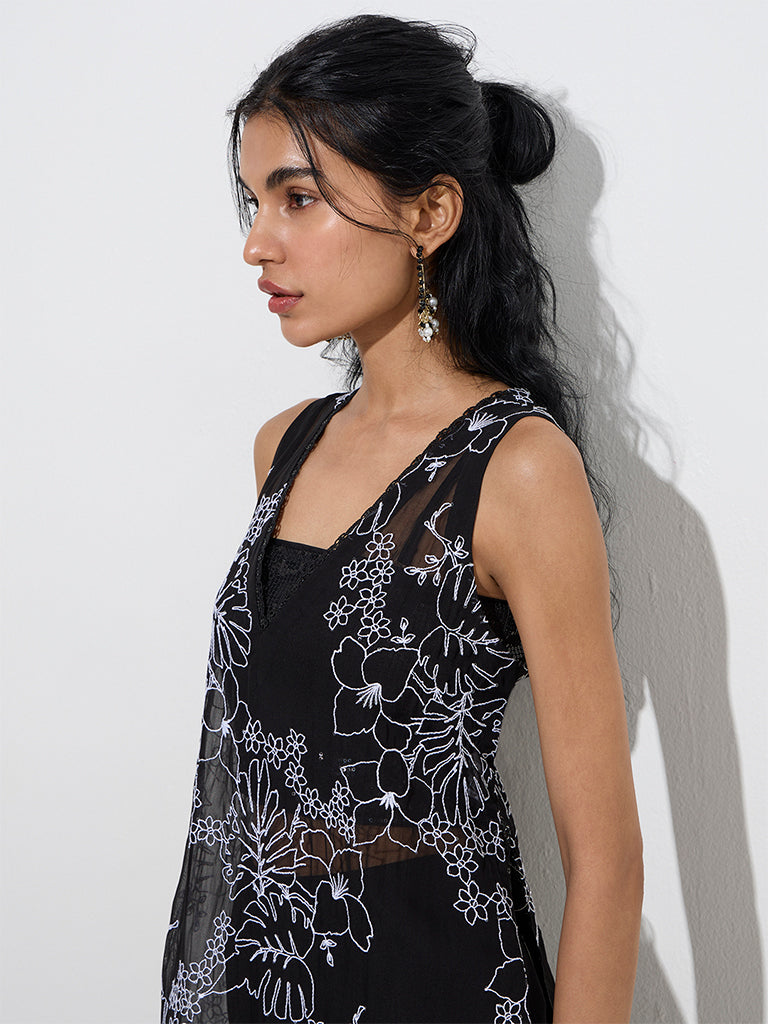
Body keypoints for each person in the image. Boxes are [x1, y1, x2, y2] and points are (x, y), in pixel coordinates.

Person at [160, 14, 643, 1024]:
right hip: (258, 985)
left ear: (429, 213)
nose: (257, 242)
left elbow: (605, 863)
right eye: (255, 201)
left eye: (298, 198)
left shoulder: (516, 469)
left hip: (436, 984)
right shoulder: (284, 448)